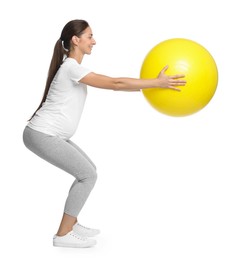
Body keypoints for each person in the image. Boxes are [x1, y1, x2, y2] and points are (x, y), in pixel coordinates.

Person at [23, 19, 186, 248]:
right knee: (87, 175)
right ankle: (63, 234)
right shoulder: (71, 67)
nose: (94, 41)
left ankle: (71, 222)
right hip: (41, 134)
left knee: (89, 170)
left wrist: (150, 86)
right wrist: (157, 83)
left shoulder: (71, 67)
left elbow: (117, 84)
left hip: (50, 135)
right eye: (90, 36)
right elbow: (115, 83)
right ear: (75, 40)